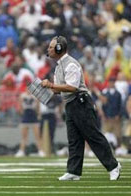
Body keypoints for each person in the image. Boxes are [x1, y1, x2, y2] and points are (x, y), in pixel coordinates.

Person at [41, 36, 121, 181]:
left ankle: (113, 166)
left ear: (60, 48)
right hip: (71, 104)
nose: (49, 49)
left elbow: (72, 87)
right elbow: (59, 90)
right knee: (74, 139)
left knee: (93, 136)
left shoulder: (71, 64)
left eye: (51, 47)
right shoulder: (59, 66)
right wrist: (43, 88)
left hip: (81, 102)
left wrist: (51, 85)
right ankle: (74, 171)